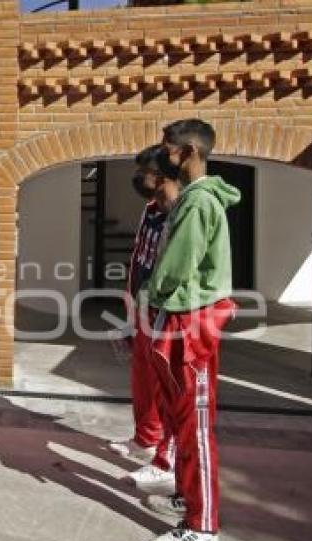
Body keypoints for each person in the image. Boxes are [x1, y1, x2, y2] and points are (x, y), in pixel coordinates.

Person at [143, 119, 240, 541]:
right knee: (181, 419)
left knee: (195, 425)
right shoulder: (194, 200)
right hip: (180, 318)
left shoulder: (198, 203)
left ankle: (202, 526)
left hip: (191, 323)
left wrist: (152, 293)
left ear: (190, 152)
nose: (164, 157)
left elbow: (176, 267)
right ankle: (187, 497)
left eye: (169, 149)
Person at [108, 145, 181, 495]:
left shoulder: (182, 212)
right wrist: (130, 309)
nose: (139, 179)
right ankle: (145, 439)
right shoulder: (151, 210)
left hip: (165, 311)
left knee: (166, 388)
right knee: (142, 379)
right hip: (142, 307)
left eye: (144, 173)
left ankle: (166, 462)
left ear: (163, 174)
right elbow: (140, 259)